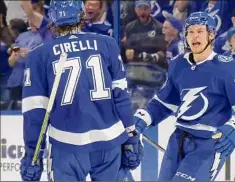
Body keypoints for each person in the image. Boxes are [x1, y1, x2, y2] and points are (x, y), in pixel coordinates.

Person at [19, 0, 143, 181]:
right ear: (80, 14)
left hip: (66, 147)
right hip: (109, 143)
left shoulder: (39, 55)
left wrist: (33, 154)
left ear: (52, 19)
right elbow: (122, 98)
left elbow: (34, 113)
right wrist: (132, 137)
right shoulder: (107, 44)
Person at [133, 12, 235, 181]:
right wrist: (143, 119)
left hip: (208, 144)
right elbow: (164, 103)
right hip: (177, 141)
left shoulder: (226, 67)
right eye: (190, 32)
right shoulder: (178, 64)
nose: (195, 36)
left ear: (212, 34)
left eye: (200, 31)